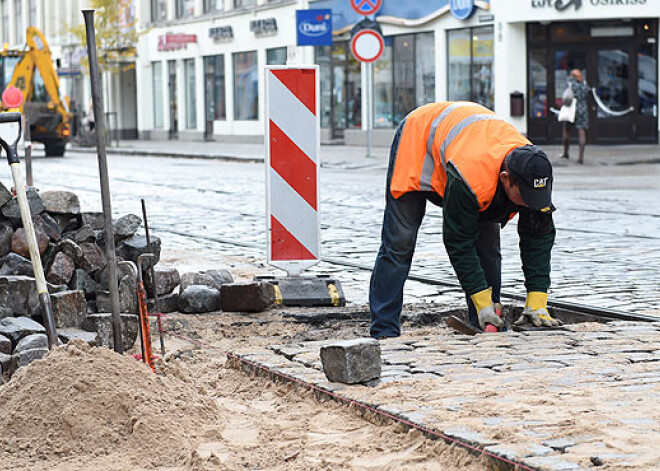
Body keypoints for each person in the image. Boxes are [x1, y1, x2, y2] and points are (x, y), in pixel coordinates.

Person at [369, 101, 560, 339]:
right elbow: (459, 241)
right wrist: (481, 299)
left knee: (488, 249)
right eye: (524, 196)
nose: (529, 203)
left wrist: (537, 300)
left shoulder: (533, 169)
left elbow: (539, 237)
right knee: (400, 242)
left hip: (466, 149)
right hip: (418, 141)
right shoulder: (471, 179)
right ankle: (384, 329)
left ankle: (488, 323)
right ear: (505, 178)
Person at [560, 69, 589, 164]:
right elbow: (587, 95)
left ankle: (565, 153)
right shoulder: (584, 85)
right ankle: (581, 157)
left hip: (571, 109)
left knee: (567, 130)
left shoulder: (570, 84)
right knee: (581, 132)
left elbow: (566, 96)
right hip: (582, 110)